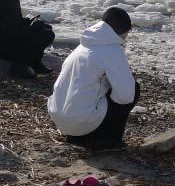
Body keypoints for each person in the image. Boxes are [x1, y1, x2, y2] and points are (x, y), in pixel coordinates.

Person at [48, 8, 140, 150]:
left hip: (60, 120)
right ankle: (109, 138)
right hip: (81, 123)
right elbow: (126, 96)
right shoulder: (112, 50)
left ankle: (79, 134)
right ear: (123, 30)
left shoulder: (83, 46)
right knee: (134, 88)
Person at [0, 0, 55, 78]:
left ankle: (35, 63)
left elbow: (9, 22)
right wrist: (31, 27)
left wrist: (26, 22)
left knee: (44, 27)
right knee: (46, 33)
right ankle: (20, 65)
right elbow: (11, 33)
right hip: (4, 45)